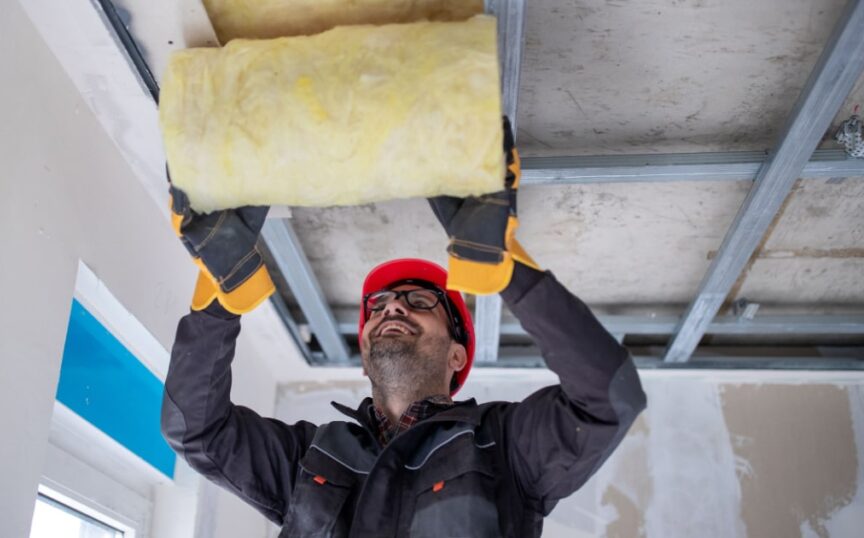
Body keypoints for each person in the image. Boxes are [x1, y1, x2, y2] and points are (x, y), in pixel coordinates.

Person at [161, 119, 647, 537]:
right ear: (367, 350)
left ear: (457, 355)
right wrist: (221, 298)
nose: (391, 308)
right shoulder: (309, 456)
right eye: (379, 305)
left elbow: (609, 400)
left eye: (418, 301)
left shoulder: (504, 446)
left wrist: (508, 272)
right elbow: (199, 432)